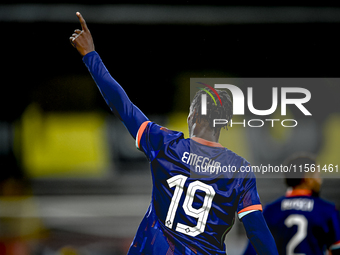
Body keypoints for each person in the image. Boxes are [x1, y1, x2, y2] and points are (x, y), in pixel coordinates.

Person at [69, 12, 278, 255]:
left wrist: (91, 56)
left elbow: (122, 106)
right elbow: (258, 233)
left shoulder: (166, 144)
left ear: (195, 116)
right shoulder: (239, 170)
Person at [243, 153, 340, 255]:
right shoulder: (326, 210)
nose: (320, 181)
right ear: (308, 178)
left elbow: (253, 250)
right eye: (318, 175)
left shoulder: (271, 210)